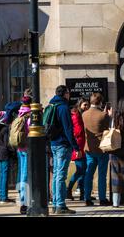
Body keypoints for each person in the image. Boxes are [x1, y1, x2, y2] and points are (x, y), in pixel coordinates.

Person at [48, 85, 81, 214]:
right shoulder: (63, 107)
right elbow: (68, 129)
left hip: (54, 143)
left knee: (56, 174)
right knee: (61, 175)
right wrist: (75, 146)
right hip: (63, 144)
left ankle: (56, 204)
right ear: (65, 94)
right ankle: (60, 205)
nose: (69, 95)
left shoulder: (52, 105)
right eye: (68, 92)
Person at [81, 92, 111, 206]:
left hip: (89, 147)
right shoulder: (103, 115)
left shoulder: (84, 114)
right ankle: (102, 198)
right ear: (101, 102)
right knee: (102, 174)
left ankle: (87, 198)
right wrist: (109, 115)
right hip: (101, 148)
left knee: (89, 173)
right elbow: (108, 129)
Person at [67, 97, 89, 202]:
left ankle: (82, 193)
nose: (87, 107)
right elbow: (77, 131)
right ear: (80, 105)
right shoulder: (76, 116)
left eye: (87, 105)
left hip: (83, 147)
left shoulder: (81, 116)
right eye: (85, 105)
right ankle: (69, 190)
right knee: (80, 170)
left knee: (83, 170)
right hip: (78, 147)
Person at [16, 96, 32, 214]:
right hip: (27, 148)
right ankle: (23, 203)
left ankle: (23, 199)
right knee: (25, 176)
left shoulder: (19, 114)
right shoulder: (29, 116)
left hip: (19, 148)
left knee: (22, 174)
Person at [0, 111, 14, 203]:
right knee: (4, 175)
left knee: (1, 174)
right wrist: (12, 150)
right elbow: (7, 143)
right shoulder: (5, 129)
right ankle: (4, 197)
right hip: (5, 152)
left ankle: (1, 195)